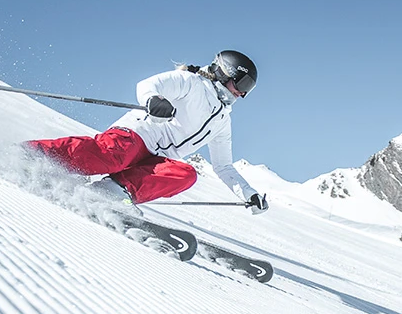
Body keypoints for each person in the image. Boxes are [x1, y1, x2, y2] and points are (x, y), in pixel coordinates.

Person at [25, 50, 269, 215]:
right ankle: (34, 154)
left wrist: (249, 193)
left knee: (185, 174)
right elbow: (148, 85)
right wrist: (153, 100)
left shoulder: (222, 121)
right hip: (138, 135)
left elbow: (224, 166)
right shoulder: (192, 82)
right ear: (226, 72)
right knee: (113, 157)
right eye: (242, 84)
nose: (242, 93)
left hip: (158, 159)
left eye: (249, 90)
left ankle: (112, 192)